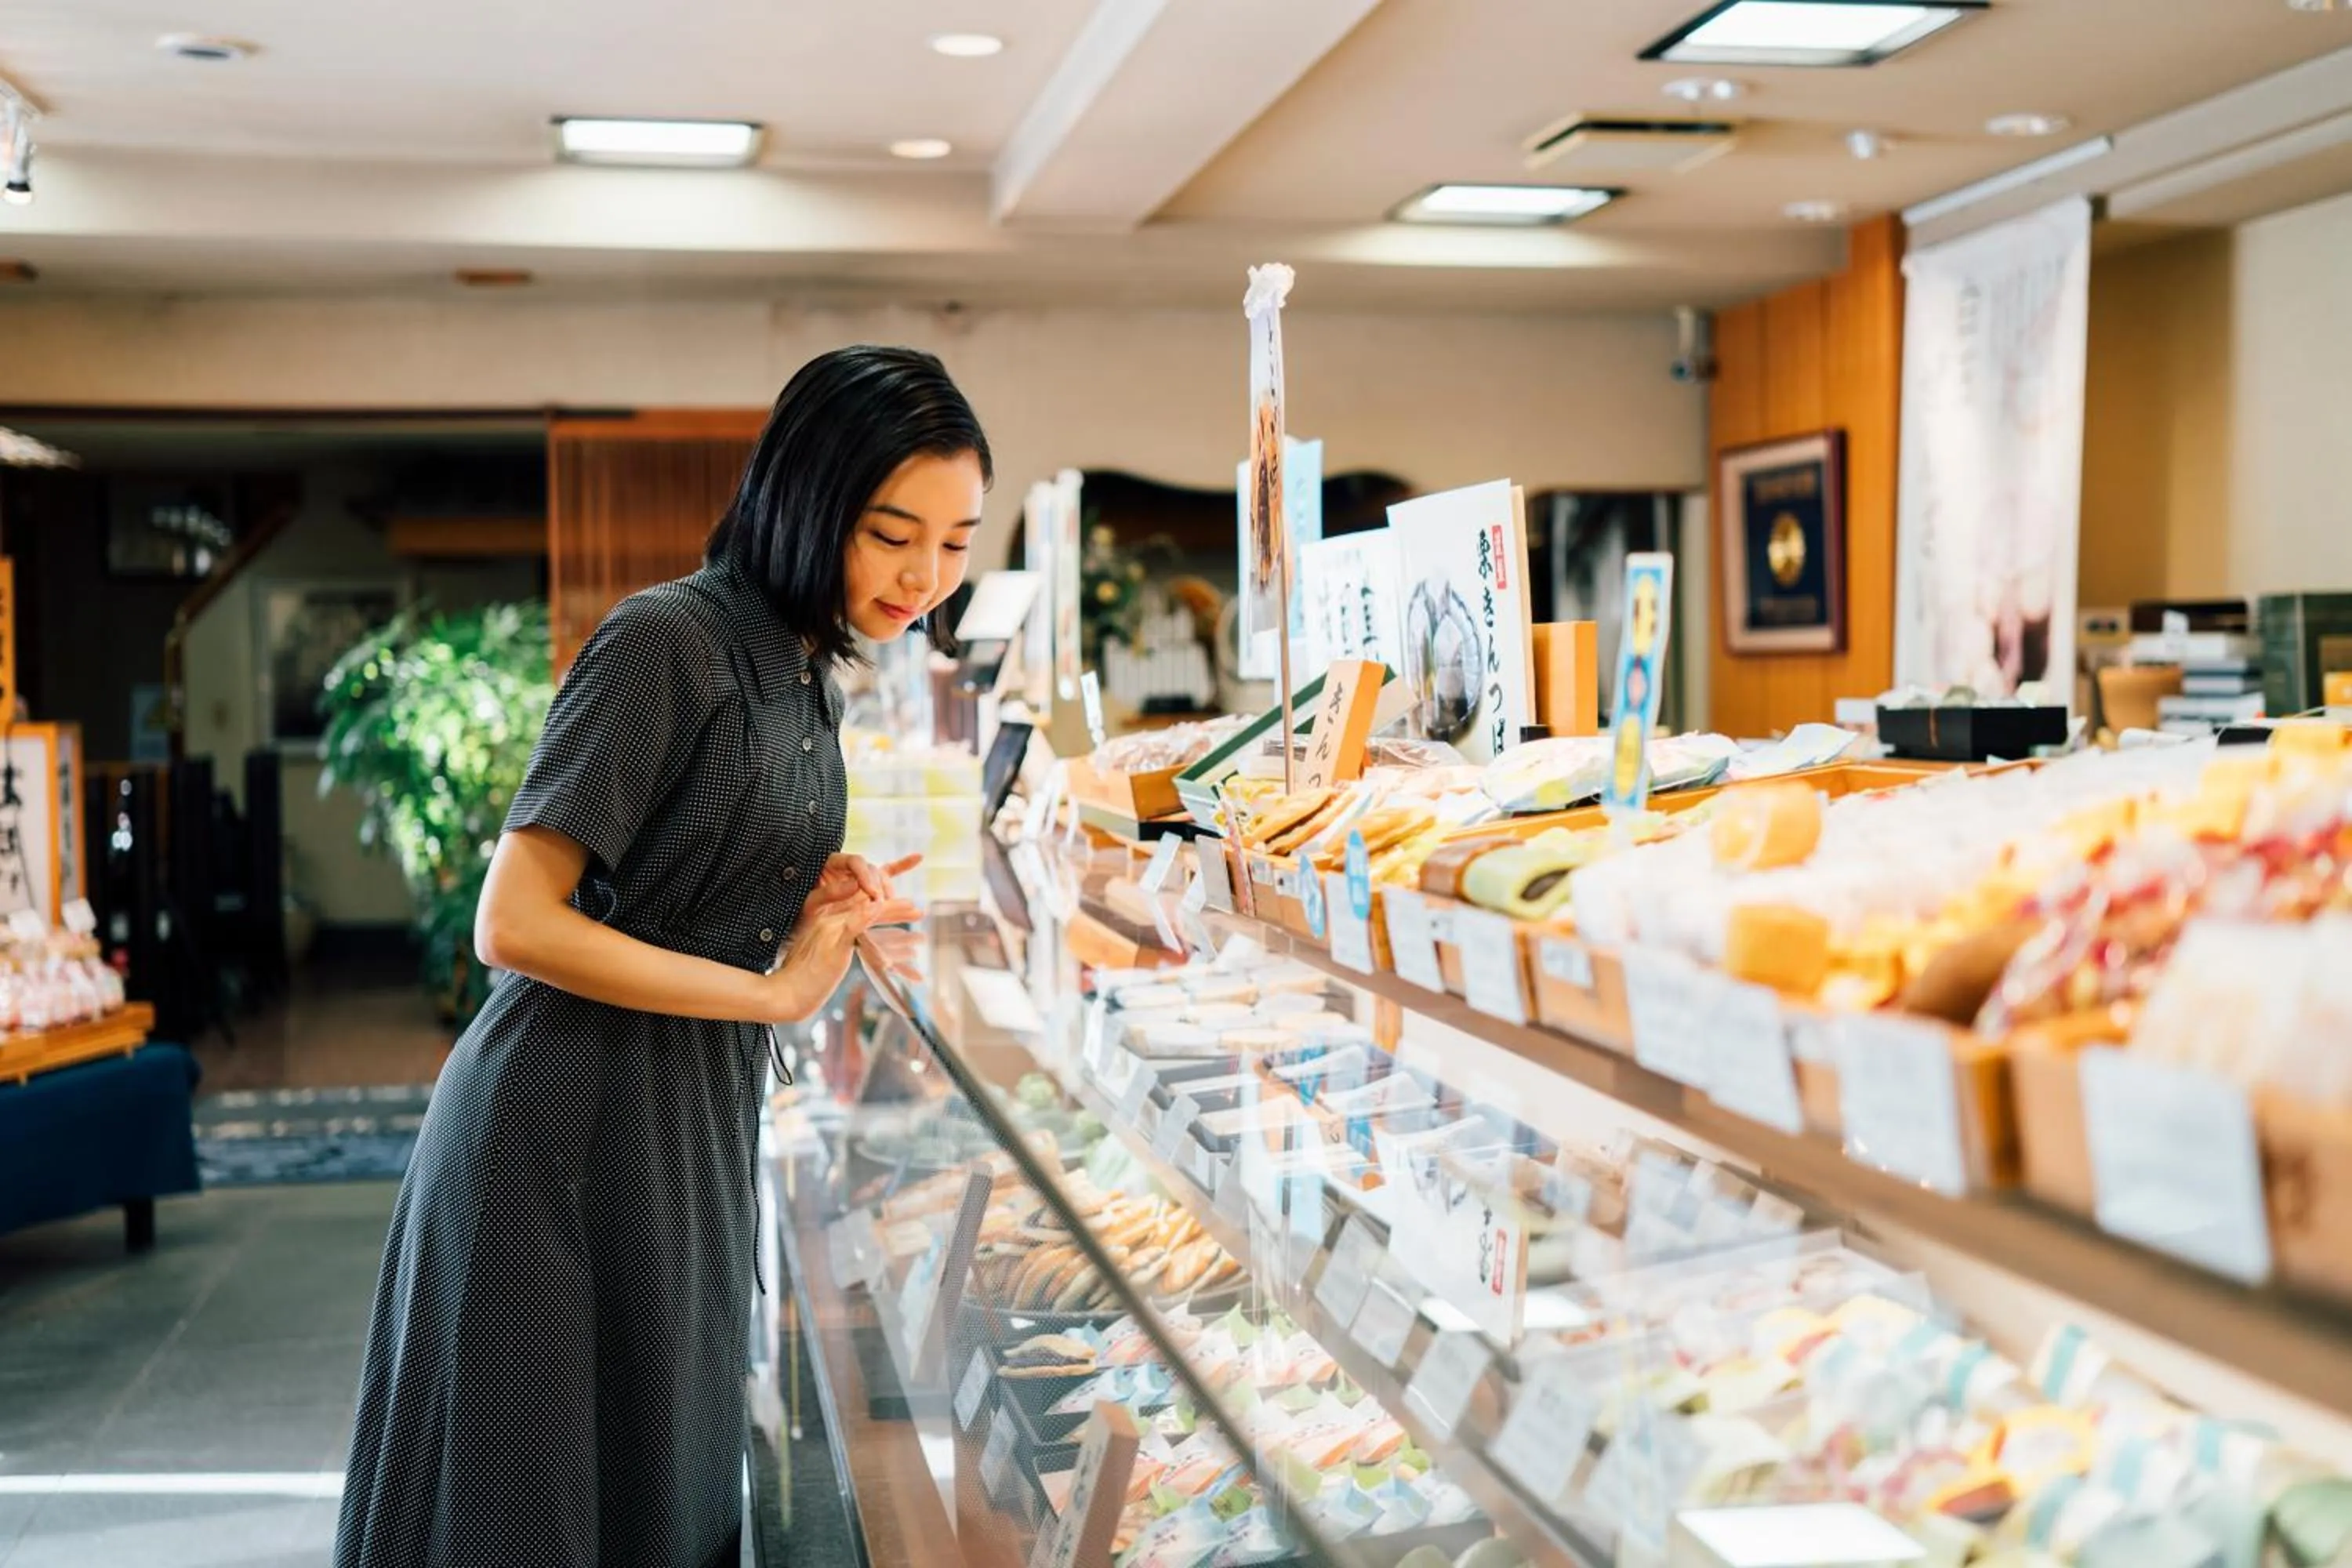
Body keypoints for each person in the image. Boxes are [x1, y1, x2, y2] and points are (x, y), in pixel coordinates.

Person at [336, 346, 989, 1568]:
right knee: (530, 1499)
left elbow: (683, 879)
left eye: (956, 542)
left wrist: (801, 896)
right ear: (805, 500)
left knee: (658, 1485)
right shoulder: (666, 641)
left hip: (677, 1122)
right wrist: (771, 989)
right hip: (560, 1130)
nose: (926, 574)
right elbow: (515, 924)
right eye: (894, 531)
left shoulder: (807, 670)